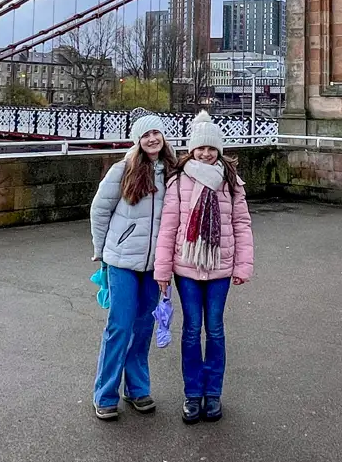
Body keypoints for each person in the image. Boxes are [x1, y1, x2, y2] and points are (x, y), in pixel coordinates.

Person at [155, 112, 254, 425]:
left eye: (212, 149)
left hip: (220, 269)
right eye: (201, 148)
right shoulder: (179, 180)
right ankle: (192, 394)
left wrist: (243, 265)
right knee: (190, 331)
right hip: (186, 268)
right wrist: (162, 270)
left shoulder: (231, 181)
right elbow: (169, 225)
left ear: (219, 151)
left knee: (215, 330)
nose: (206, 153)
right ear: (191, 150)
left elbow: (241, 223)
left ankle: (213, 394)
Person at [89, 113, 176, 421]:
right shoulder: (122, 169)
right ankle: (105, 394)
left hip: (155, 266)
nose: (152, 139)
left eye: (157, 133)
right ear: (138, 141)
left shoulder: (173, 174)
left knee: (143, 328)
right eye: (146, 135)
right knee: (119, 327)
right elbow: (100, 210)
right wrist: (102, 252)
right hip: (122, 261)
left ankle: (137, 388)